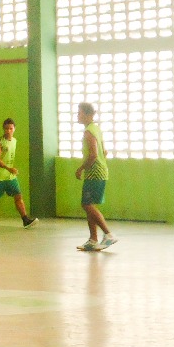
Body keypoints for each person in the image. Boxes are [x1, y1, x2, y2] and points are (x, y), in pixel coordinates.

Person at [0, 118, 38, 229]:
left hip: (10, 176)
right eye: (6, 128)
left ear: (14, 129)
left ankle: (25, 219)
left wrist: (10, 170)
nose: (8, 131)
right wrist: (8, 168)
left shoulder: (14, 141)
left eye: (11, 128)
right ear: (3, 129)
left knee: (18, 196)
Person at [75, 103, 117, 251]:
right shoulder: (96, 129)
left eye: (79, 113)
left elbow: (94, 154)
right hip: (99, 172)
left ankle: (108, 234)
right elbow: (104, 152)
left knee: (87, 205)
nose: (77, 115)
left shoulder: (89, 132)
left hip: (95, 173)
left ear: (87, 114)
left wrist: (81, 168)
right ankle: (93, 239)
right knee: (89, 204)